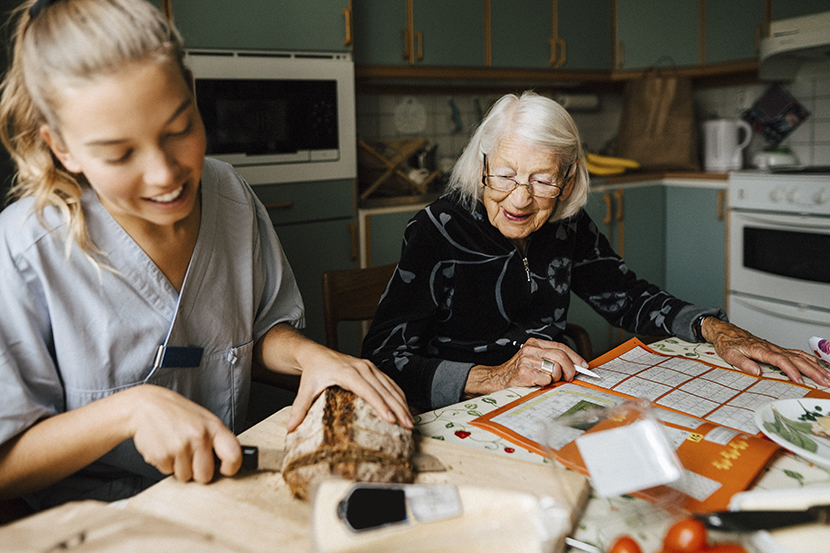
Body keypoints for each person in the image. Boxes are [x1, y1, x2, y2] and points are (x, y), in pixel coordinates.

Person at [0, 0, 411, 511]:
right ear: (61, 147)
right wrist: (129, 412)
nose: (165, 175)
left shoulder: (229, 195)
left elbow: (258, 332)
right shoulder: (22, 252)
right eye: (119, 154)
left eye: (179, 130)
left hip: (224, 502)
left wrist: (312, 357)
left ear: (192, 91)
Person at [362, 91, 830, 412]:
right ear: (480, 163)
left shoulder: (566, 225)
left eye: (543, 180)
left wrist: (721, 331)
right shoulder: (436, 229)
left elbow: (626, 297)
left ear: (567, 181)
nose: (520, 199)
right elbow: (382, 358)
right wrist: (495, 377)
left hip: (549, 399)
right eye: (504, 174)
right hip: (460, 410)